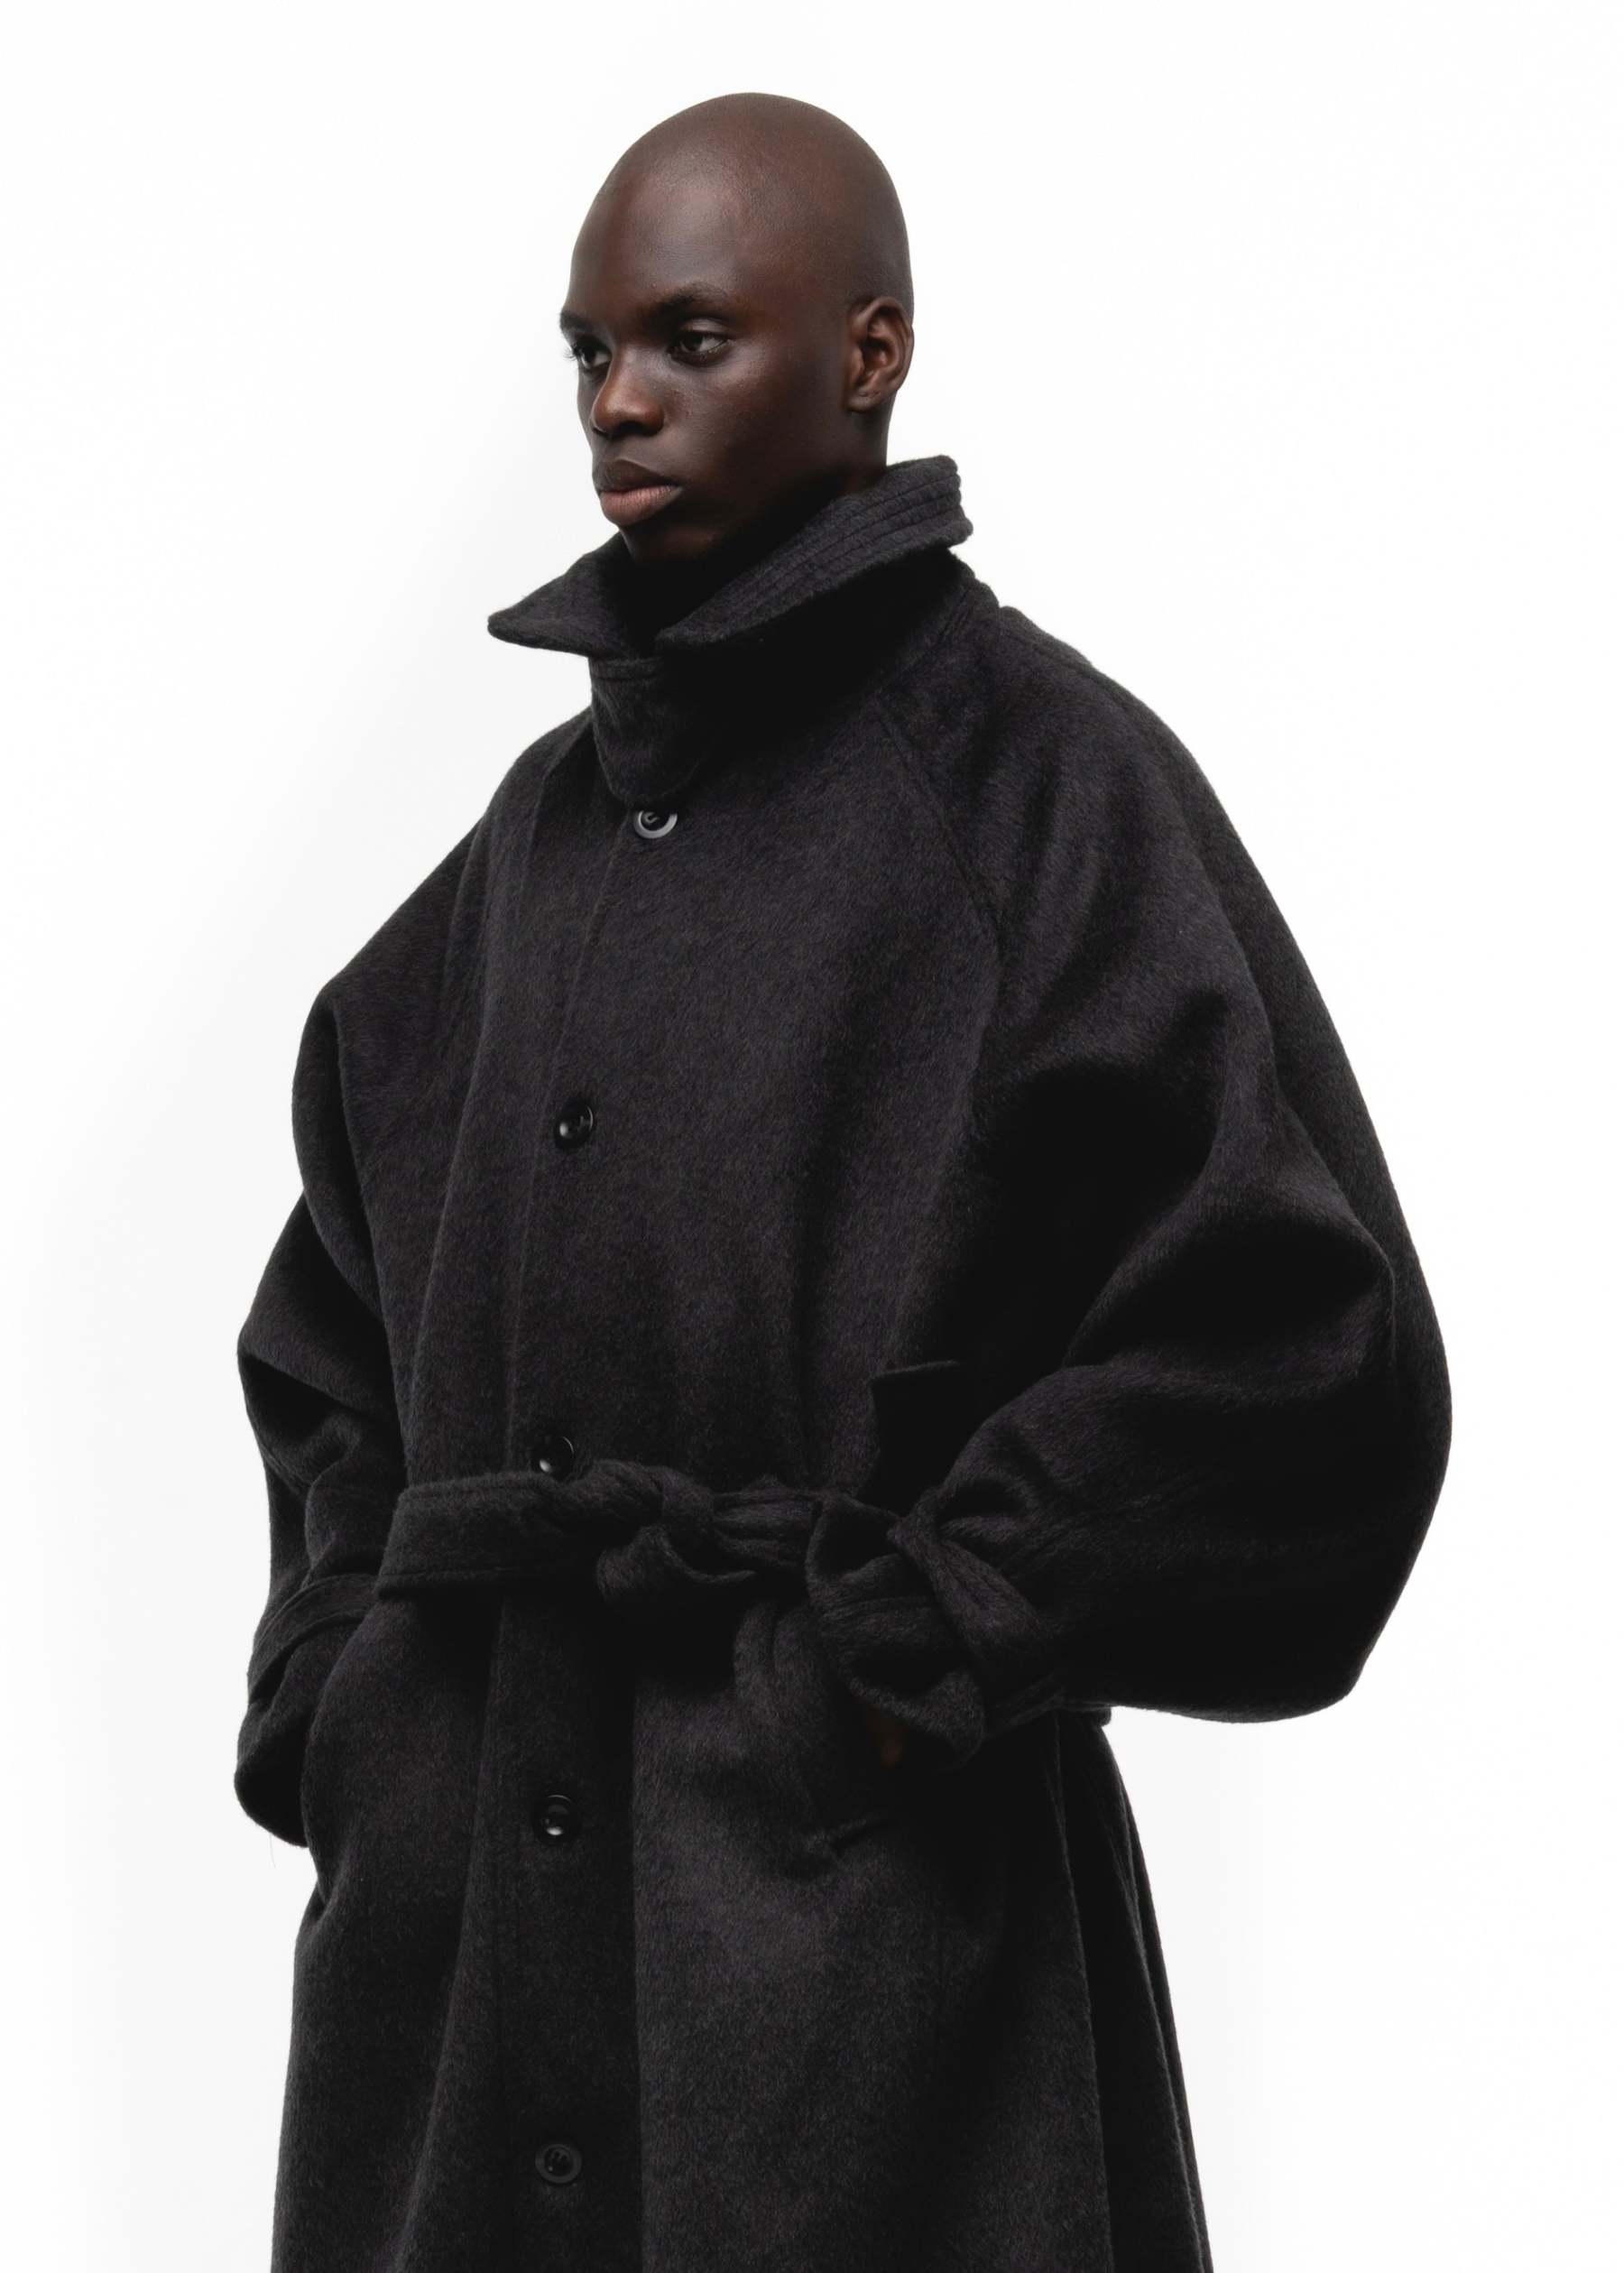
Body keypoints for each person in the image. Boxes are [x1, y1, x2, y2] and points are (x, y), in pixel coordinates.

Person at [233, 90, 1451, 2273]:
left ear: (872, 349)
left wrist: (904, 1658)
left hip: (861, 1949)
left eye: (688, 338)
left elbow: (1301, 1340)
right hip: (469, 1960)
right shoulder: (530, 845)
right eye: (591, 350)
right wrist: (351, 1699)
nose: (619, 400)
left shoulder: (1040, 789)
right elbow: (329, 1318)